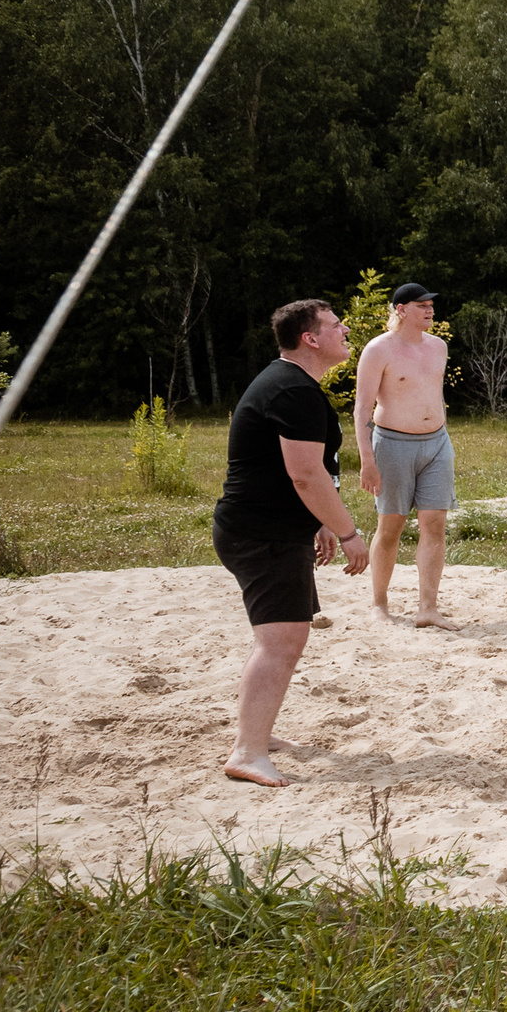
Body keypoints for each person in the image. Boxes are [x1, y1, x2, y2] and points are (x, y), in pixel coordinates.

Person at [215, 299, 369, 787]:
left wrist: (319, 521)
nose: (345, 330)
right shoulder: (292, 389)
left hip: (270, 529)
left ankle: (257, 733)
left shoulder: (293, 384)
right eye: (335, 325)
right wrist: (347, 531)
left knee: (280, 639)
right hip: (263, 534)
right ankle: (248, 751)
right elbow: (305, 474)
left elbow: (304, 470)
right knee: (280, 641)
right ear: (311, 338)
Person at [354, 281, 458, 628]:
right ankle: (379, 604)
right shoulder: (378, 349)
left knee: (435, 524)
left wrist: (441, 435)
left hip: (437, 443)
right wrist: (367, 461)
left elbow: (432, 394)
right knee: (391, 527)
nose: (430, 310)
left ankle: (428, 608)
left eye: (431, 305)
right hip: (392, 444)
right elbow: (362, 409)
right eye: (422, 306)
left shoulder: (439, 346)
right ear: (401, 310)